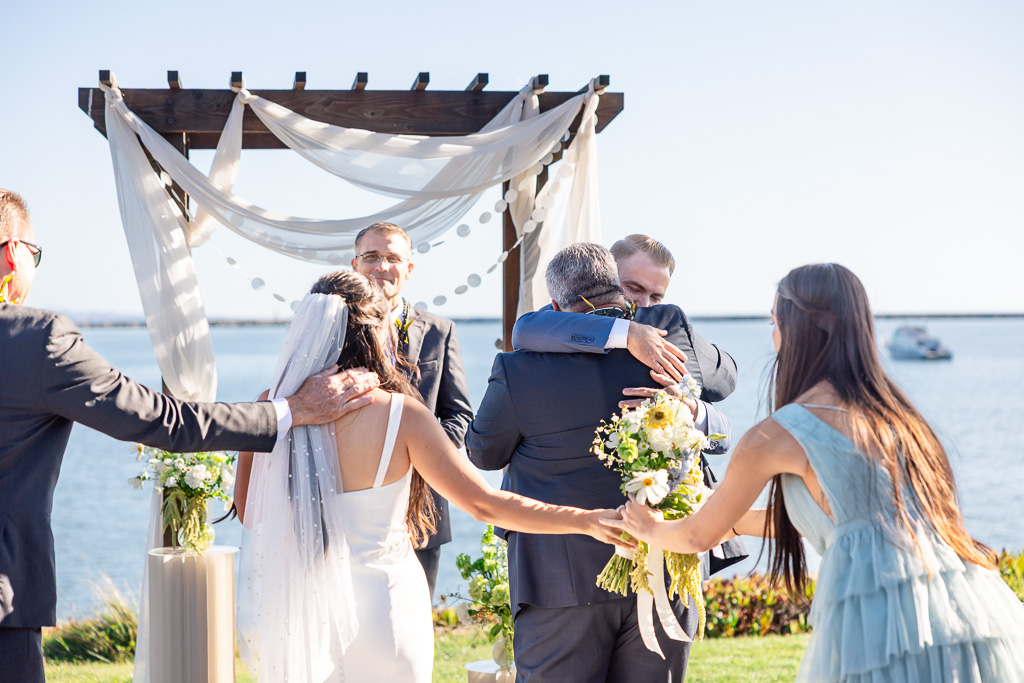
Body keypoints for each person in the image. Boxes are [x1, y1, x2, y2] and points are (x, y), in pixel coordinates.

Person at [0, 188, 379, 683]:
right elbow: (164, 421)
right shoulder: (35, 340)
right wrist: (290, 410)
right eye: (36, 254)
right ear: (14, 252)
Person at [602, 263, 1024, 681]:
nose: (773, 336)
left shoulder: (780, 433)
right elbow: (852, 517)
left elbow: (696, 537)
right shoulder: (900, 420)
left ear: (796, 330)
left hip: (881, 617)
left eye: (775, 322)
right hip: (970, 606)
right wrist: (732, 521)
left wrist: (648, 527)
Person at [232, 270, 626, 683]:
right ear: (376, 332)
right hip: (385, 609)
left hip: (309, 612)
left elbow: (249, 512)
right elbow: (484, 504)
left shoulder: (272, 409)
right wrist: (584, 520)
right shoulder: (400, 414)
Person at [466, 243, 729, 683]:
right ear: (621, 294)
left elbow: (483, 453)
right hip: (661, 570)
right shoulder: (666, 343)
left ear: (555, 306)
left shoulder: (520, 369)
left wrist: (689, 405)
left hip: (558, 581)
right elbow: (725, 393)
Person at [511, 233, 745, 576]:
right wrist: (628, 334)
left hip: (668, 520)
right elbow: (525, 330)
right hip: (574, 527)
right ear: (608, 279)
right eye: (633, 289)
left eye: (656, 295)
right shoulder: (551, 324)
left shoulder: (668, 326)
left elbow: (726, 380)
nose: (645, 305)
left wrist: (689, 404)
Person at [351, 222, 473, 600]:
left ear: (409, 268)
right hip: (351, 503)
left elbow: (460, 415)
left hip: (423, 507)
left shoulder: (440, 331)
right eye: (371, 256)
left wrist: (421, 457)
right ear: (354, 265)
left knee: (415, 619)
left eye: (392, 258)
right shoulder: (333, 328)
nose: (381, 266)